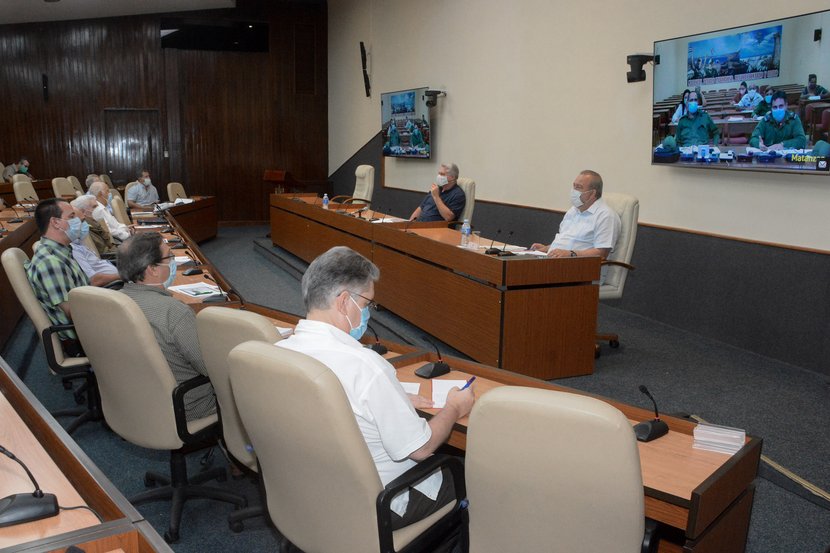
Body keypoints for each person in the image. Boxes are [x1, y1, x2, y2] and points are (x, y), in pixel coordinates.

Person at [276, 246, 475, 529]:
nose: (369, 312)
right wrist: (455, 406)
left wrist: (395, 397)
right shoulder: (366, 366)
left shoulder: (279, 351)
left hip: (305, 488)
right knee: (467, 475)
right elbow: (421, 449)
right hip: (379, 504)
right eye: (368, 303)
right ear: (344, 302)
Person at [117, 232, 216, 421]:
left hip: (137, 400)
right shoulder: (174, 311)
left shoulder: (115, 301)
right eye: (170, 256)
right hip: (188, 406)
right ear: (152, 269)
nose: (174, 262)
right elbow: (209, 368)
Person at [25, 198, 90, 355]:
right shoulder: (51, 263)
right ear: (55, 222)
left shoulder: (61, 251)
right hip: (82, 338)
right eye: (72, 216)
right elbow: (74, 313)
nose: (78, 221)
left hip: (87, 319)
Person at [530, 171, 621, 281]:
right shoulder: (573, 211)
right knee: (517, 268)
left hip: (581, 271)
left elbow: (601, 254)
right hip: (555, 265)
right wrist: (547, 248)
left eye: (579, 187)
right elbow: (568, 240)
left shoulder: (606, 216)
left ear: (592, 193)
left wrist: (571, 254)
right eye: (574, 186)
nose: (574, 191)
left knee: (524, 277)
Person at [67, 200, 121, 287]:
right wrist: (124, 275)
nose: (85, 225)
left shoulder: (78, 242)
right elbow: (94, 280)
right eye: (82, 221)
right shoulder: (72, 249)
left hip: (117, 279)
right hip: (113, 287)